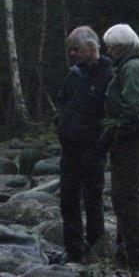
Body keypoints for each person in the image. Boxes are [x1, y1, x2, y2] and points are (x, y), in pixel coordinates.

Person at [56, 26, 113, 262]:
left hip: (93, 147)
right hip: (70, 148)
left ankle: (94, 249)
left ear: (91, 47)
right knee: (68, 200)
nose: (72, 54)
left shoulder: (109, 73)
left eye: (76, 49)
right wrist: (60, 123)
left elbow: (110, 111)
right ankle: (73, 250)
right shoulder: (74, 74)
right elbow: (62, 102)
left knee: (93, 201)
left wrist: (100, 140)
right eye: (70, 50)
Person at [101, 23, 139, 271]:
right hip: (127, 136)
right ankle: (126, 249)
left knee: (126, 196)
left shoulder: (132, 68)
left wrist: (115, 132)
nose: (108, 52)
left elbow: (133, 107)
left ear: (123, 47)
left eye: (111, 47)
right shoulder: (127, 66)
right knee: (121, 195)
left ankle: (133, 253)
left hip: (130, 138)